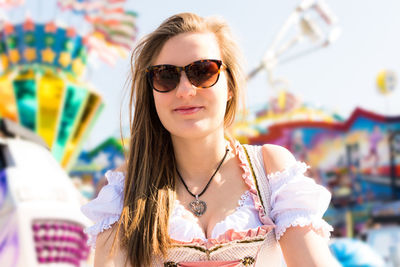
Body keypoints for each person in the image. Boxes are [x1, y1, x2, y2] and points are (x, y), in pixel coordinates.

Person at [81, 13, 339, 267]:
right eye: (166, 76)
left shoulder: (270, 169)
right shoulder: (125, 187)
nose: (184, 90)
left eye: (203, 71)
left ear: (230, 87)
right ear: (152, 93)